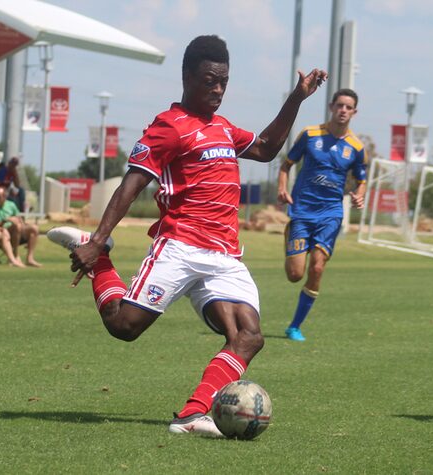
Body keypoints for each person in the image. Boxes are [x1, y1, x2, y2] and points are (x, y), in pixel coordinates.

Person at [47, 35, 326, 436]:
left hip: (224, 255)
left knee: (249, 335)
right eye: (209, 81)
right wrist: (96, 240)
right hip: (179, 246)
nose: (217, 90)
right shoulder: (169, 127)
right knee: (124, 326)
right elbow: (132, 183)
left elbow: (265, 149)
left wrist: (296, 99)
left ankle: (193, 415)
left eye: (223, 82)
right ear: (187, 76)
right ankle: (101, 256)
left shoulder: (223, 128)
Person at [277, 88, 366, 342]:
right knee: (295, 275)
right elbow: (286, 165)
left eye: (348, 107)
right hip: (303, 211)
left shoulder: (357, 147)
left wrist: (360, 194)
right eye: (340, 105)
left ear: (354, 112)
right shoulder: (310, 134)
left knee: (317, 267)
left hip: (331, 214)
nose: (343, 110)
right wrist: (282, 188)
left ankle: (295, 326)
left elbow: (362, 180)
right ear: (331, 107)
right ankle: (290, 237)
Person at [0, 185, 41, 267]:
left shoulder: (11, 204)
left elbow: (20, 219)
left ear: (5, 196)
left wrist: (19, 222)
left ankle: (30, 258)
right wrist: (7, 220)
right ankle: (16, 256)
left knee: (34, 228)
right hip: (2, 233)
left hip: (17, 231)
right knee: (16, 226)